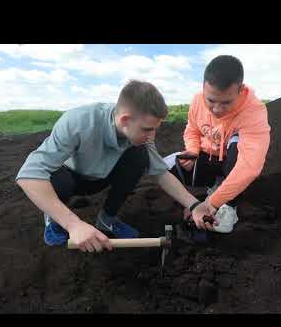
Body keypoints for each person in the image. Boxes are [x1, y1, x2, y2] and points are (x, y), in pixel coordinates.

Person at [15, 80, 217, 253]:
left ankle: (106, 220)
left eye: (155, 129)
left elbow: (160, 172)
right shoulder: (78, 122)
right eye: (147, 129)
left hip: (101, 177)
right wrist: (74, 224)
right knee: (56, 178)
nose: (152, 136)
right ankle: (54, 219)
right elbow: (28, 175)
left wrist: (195, 205)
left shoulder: (142, 136)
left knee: (140, 156)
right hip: (71, 176)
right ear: (125, 120)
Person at [164, 55, 271, 233]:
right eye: (211, 101)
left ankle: (229, 205)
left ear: (240, 91)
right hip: (207, 157)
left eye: (226, 102)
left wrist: (211, 203)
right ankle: (215, 186)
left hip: (233, 163)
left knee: (237, 144)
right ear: (203, 89)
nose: (217, 109)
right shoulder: (197, 100)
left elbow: (250, 166)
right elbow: (192, 130)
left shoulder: (254, 111)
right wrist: (192, 150)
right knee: (164, 168)